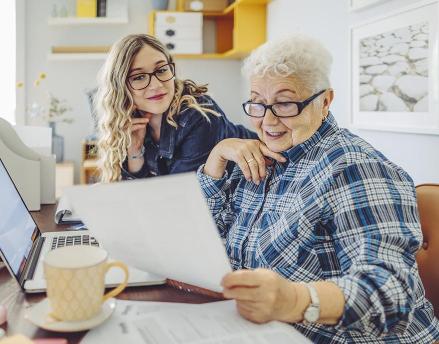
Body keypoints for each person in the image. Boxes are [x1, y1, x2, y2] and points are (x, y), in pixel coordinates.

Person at [197, 34, 439, 342]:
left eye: (285, 103)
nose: (267, 120)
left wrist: (295, 300)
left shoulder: (355, 167)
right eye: (257, 103)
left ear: (324, 101)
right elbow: (205, 241)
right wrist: (215, 162)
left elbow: (392, 291)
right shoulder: (259, 156)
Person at [96, 34, 256, 182]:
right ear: (120, 87)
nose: (156, 85)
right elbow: (137, 191)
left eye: (162, 70)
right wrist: (135, 151)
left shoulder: (198, 116)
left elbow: (180, 197)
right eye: (139, 77)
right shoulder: (131, 121)